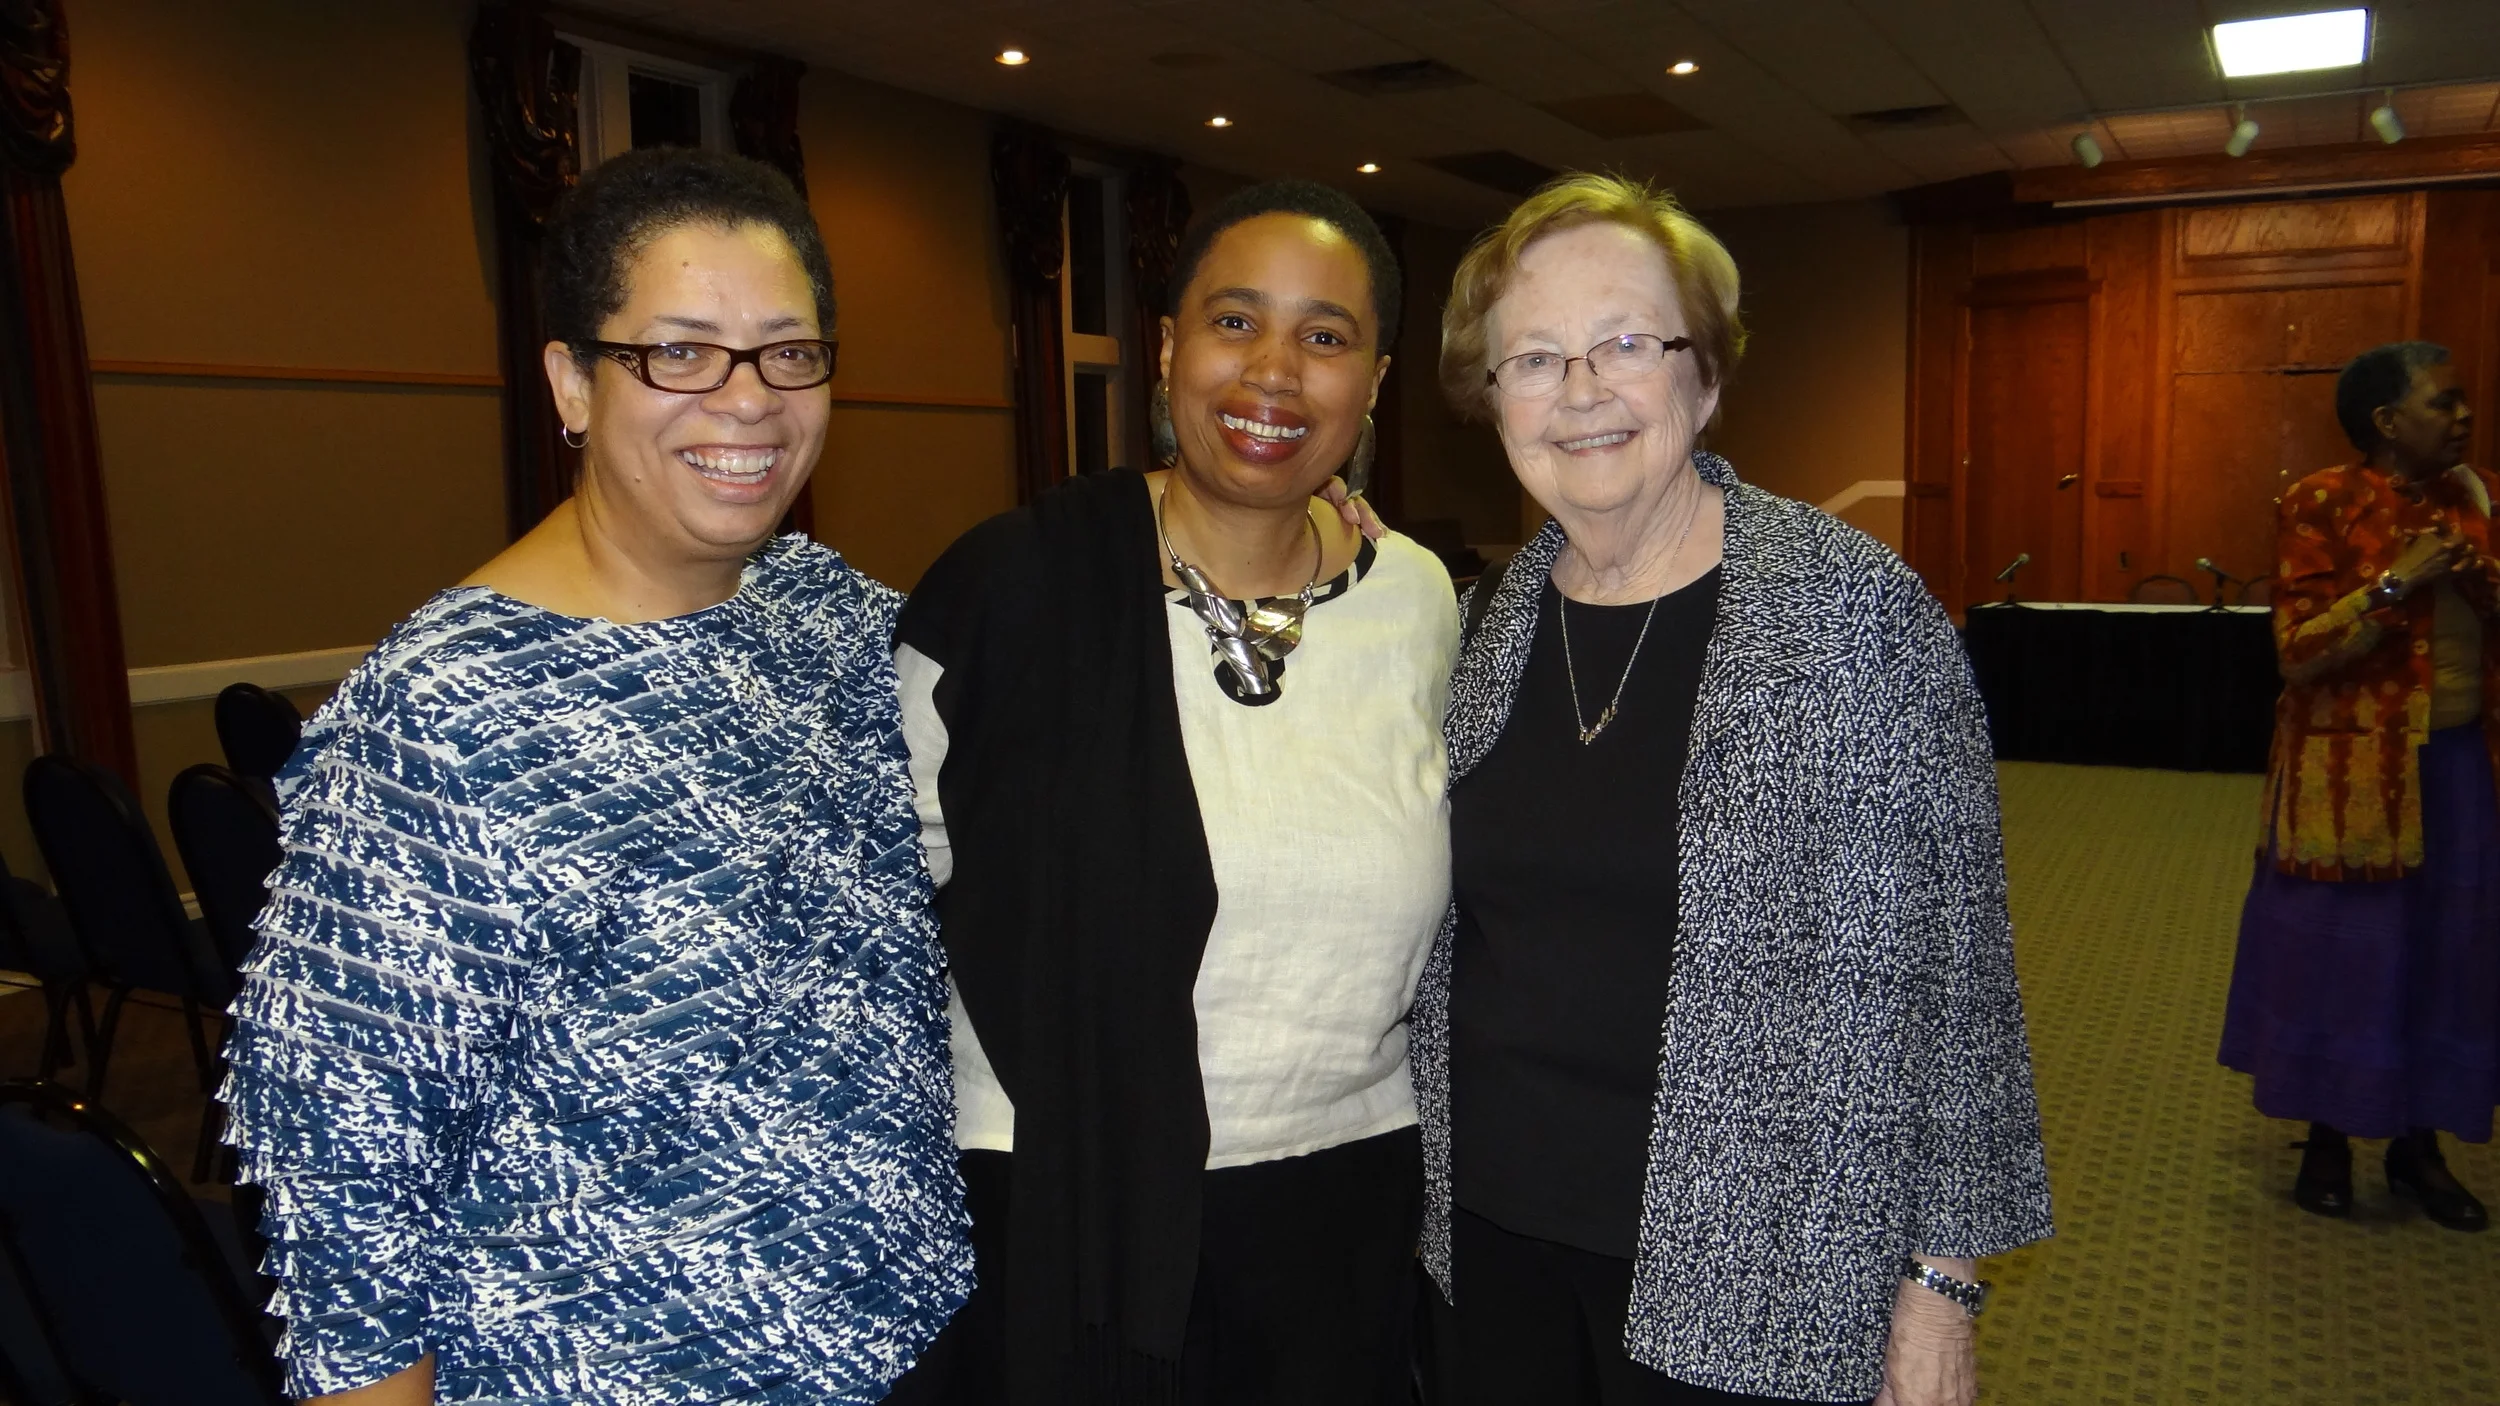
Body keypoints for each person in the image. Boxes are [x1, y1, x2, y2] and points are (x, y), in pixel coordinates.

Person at [218, 149, 971, 1404]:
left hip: (912, 1332)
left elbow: (1056, 695)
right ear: (571, 382)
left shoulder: (825, 613)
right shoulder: (446, 709)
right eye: (679, 352)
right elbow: (344, 1185)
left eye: (787, 352)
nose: (747, 400)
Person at [1414, 173, 2053, 1406]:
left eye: (1625, 343)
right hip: (1490, 1237)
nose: (1581, 391)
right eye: (1535, 358)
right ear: (1492, 400)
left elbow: (1962, 976)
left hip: (1762, 1263)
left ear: (1702, 376)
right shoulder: (1478, 624)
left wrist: (1941, 1285)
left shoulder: (1854, 615)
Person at [889, 180, 1456, 1404]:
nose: (1272, 373)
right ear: (1166, 346)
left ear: (1373, 381)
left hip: (1344, 1195)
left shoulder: (1417, 600)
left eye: (1324, 336)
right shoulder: (1013, 590)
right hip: (1062, 1193)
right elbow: (890, 896)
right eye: (1233, 321)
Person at [2220, 340, 2497, 1232]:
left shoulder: (2479, 498)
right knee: (2347, 958)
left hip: (2459, 767)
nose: (2462, 416)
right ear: (2387, 421)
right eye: (2442, 402)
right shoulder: (2321, 501)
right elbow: (2296, 651)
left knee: (2446, 957)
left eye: (2461, 401)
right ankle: (2330, 1137)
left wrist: (2474, 571)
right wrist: (2391, 585)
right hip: (2350, 776)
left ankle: (2420, 1146)